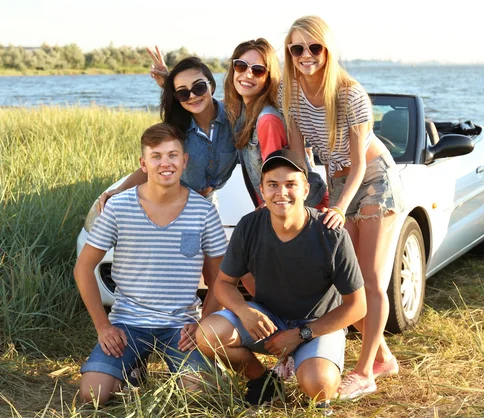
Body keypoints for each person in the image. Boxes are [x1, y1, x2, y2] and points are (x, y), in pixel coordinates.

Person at [281, 16, 404, 400]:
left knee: (369, 278)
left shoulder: (351, 95)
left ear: (328, 50)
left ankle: (366, 372)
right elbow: (300, 156)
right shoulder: (291, 93)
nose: (305, 55)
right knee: (343, 279)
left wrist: (339, 205)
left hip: (372, 182)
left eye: (314, 47)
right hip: (337, 182)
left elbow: (361, 163)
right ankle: (383, 356)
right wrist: (298, 197)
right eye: (297, 48)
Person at [196, 149, 366, 411]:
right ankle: (264, 382)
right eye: (273, 185)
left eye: (290, 184)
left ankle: (308, 364)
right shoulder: (249, 226)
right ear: (262, 190)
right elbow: (223, 284)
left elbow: (357, 306)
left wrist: (301, 335)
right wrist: (243, 310)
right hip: (268, 320)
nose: (281, 192)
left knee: (318, 384)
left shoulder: (331, 233)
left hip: (316, 325)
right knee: (208, 334)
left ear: (306, 189)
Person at [74, 123, 228, 404]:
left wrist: (203, 323)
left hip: (181, 326)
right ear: (143, 163)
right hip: (127, 323)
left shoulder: (203, 211)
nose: (165, 163)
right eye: (156, 156)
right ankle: (131, 368)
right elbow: (83, 267)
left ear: (185, 161)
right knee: (91, 395)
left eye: (172, 155)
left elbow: (219, 275)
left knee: (202, 397)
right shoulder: (118, 207)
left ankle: (151, 369)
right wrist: (103, 326)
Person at [97, 55, 237, 316]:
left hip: (204, 203)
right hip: (175, 203)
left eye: (199, 87)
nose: (193, 96)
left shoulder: (234, 117)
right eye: (183, 94)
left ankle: (206, 326)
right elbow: (155, 166)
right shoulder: (177, 128)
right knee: (187, 265)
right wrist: (118, 191)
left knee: (215, 268)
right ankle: (164, 319)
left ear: (211, 84)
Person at [223, 38, 327, 209]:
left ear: (269, 77)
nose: (247, 74)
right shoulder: (242, 112)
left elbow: (279, 181)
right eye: (241, 66)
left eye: (258, 70)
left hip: (301, 211)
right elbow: (203, 106)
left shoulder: (268, 120)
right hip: (281, 207)